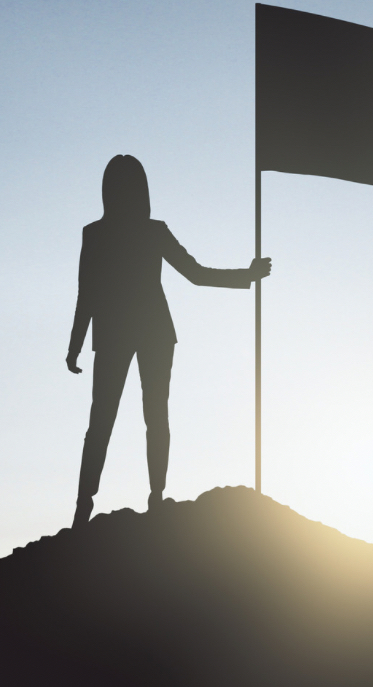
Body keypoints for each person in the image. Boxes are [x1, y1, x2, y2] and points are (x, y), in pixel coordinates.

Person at [67, 154, 270, 528]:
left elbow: (193, 274)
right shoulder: (108, 233)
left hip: (144, 333)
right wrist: (74, 344)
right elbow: (89, 292)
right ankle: (94, 505)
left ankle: (139, 499)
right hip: (134, 334)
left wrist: (247, 275)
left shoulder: (121, 232)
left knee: (134, 418)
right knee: (124, 419)